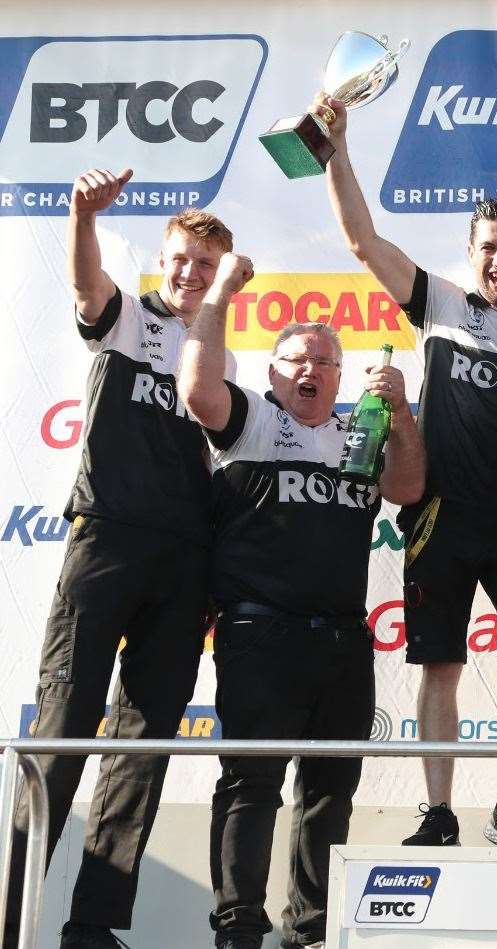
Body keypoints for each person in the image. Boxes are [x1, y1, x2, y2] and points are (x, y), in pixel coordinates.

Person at [317, 92, 497, 848]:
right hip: (439, 514)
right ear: (473, 254)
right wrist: (337, 151)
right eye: (487, 246)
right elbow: (364, 240)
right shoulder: (440, 304)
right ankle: (437, 808)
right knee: (440, 663)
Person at [4, 169, 232, 949]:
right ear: (162, 261)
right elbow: (85, 280)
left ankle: (91, 925)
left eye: (206, 265)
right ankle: (9, 919)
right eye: (181, 259)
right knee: (63, 729)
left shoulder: (223, 355)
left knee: (143, 744)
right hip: (104, 542)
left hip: (182, 566)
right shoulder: (127, 318)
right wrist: (80, 213)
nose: (191, 273)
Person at [178, 254, 424, 949]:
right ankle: (238, 929)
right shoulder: (252, 419)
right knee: (252, 783)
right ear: (273, 371)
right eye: (295, 360)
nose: (309, 370)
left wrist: (401, 412)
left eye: (324, 361)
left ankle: (308, 933)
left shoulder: (361, 430)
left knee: (328, 790)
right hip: (261, 633)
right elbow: (198, 392)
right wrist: (221, 293)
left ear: (342, 377)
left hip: (344, 639)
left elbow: (406, 487)